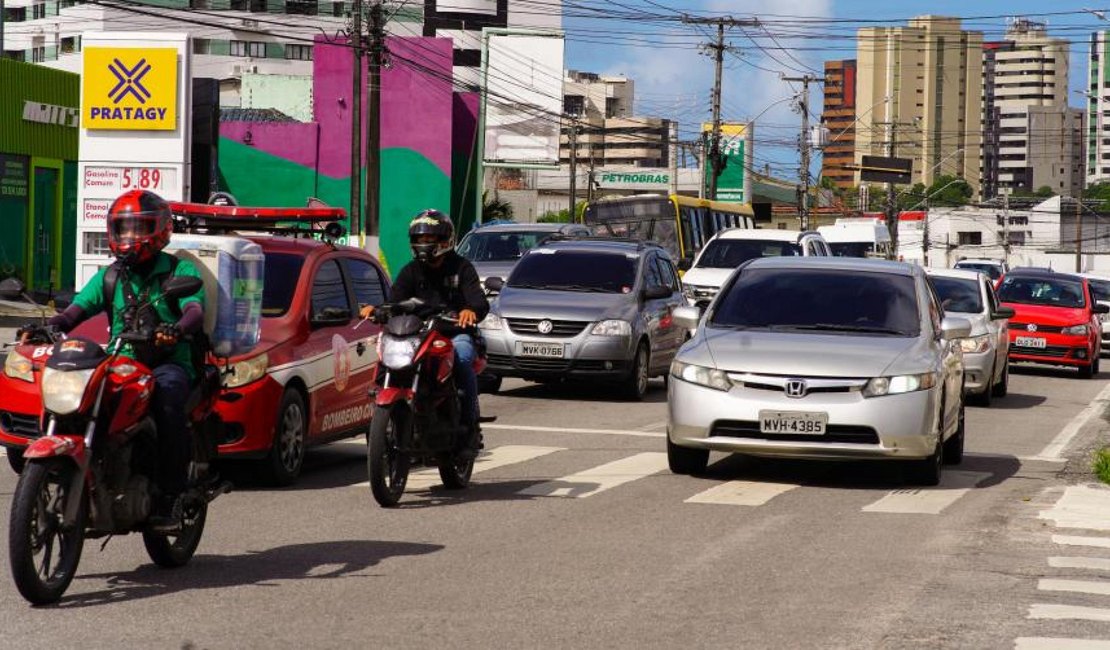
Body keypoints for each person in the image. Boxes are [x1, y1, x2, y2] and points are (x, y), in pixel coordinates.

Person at [22, 190, 205, 529]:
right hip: (121, 359)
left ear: (160, 230)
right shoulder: (110, 276)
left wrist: (177, 330)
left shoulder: (179, 269)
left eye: (139, 228)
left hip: (168, 362)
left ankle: (170, 494)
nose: (130, 237)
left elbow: (195, 309)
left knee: (166, 401)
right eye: (123, 229)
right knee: (80, 396)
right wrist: (47, 327)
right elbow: (75, 311)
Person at [360, 209, 489, 457]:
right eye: (419, 240)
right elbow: (393, 302)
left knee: (462, 356)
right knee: (387, 356)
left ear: (444, 241)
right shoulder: (411, 271)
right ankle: (384, 413)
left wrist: (469, 311)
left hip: (452, 334)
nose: (423, 245)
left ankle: (469, 427)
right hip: (416, 335)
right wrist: (376, 310)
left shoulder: (462, 268)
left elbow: (478, 302)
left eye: (429, 240)